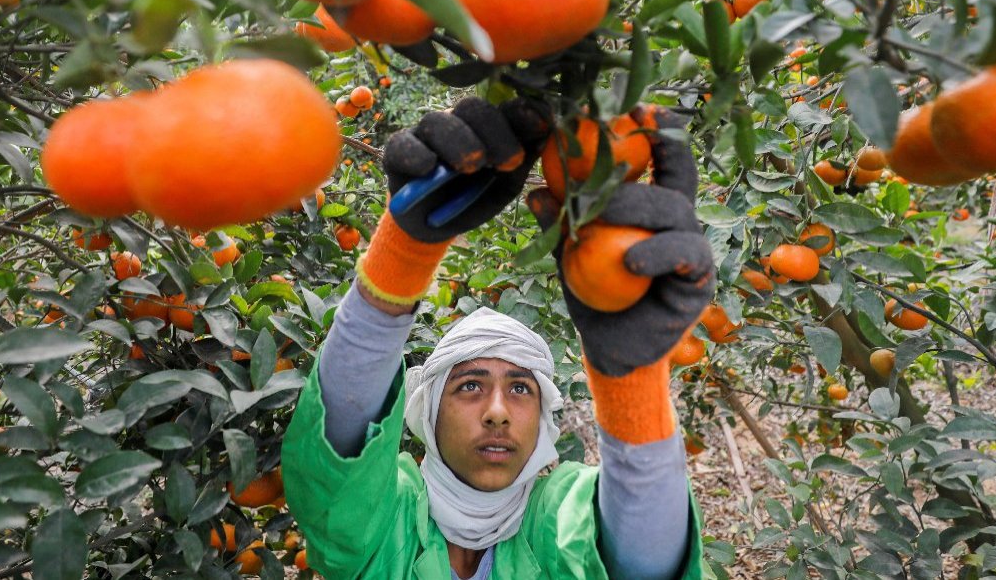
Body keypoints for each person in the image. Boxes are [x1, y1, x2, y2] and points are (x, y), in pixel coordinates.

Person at [281, 96, 715, 579]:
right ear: (428, 412)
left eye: (520, 388)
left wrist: (631, 380)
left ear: (544, 419)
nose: (497, 411)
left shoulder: (555, 520)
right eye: (469, 385)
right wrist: (402, 253)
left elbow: (643, 562)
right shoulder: (391, 523)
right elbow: (338, 470)